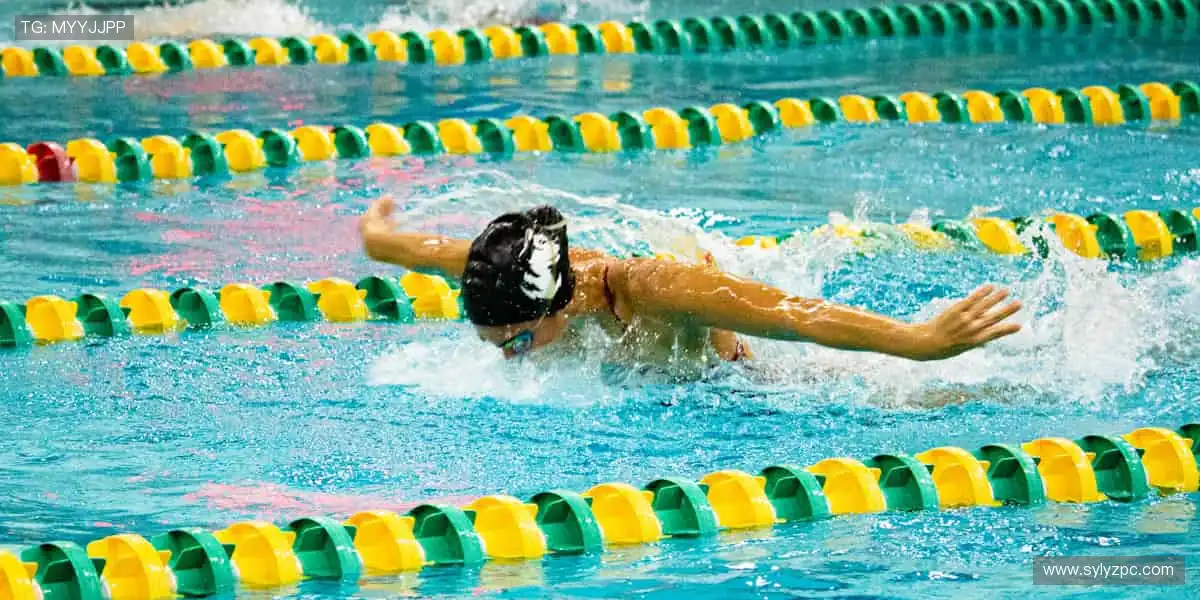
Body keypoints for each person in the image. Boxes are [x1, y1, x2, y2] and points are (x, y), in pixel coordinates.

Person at [359, 196, 1022, 365]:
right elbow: (405, 246)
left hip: (747, 378)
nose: (509, 359)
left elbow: (796, 314)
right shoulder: (502, 273)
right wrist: (376, 235)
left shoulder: (650, 288)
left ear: (557, 306)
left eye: (520, 345)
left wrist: (920, 340)